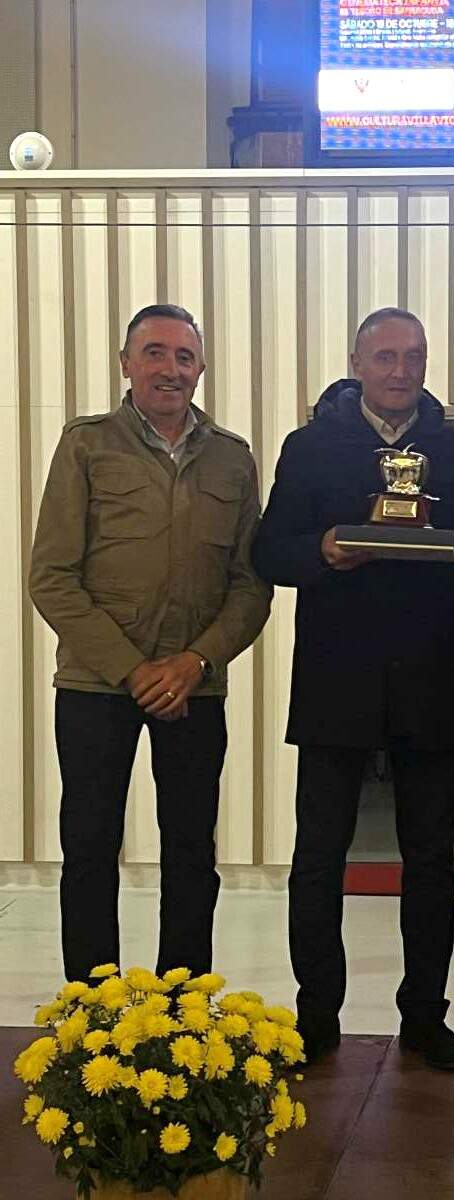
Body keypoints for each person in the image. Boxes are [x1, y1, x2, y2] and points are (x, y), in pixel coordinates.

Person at [251, 308, 454, 1071]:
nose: (401, 370)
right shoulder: (310, 446)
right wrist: (320, 547)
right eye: (385, 356)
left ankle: (425, 1015)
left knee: (431, 860)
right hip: (335, 682)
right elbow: (268, 551)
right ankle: (315, 1015)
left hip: (430, 680)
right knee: (318, 857)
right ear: (356, 361)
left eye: (414, 356)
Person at [29, 303, 272, 983]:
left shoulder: (231, 458)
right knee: (89, 848)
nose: (171, 369)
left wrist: (196, 662)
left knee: (193, 853)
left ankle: (182, 1011)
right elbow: (50, 576)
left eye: (184, 357)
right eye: (156, 353)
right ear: (127, 364)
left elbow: (251, 584)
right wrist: (134, 669)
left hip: (196, 686)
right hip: (95, 686)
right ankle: (94, 1013)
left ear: (199, 368)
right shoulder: (87, 445)